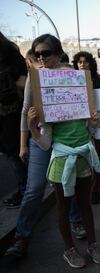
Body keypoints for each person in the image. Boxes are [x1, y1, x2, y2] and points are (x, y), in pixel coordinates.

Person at [5, 34, 83, 257]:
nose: (41, 58)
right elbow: (25, 110)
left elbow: (81, 106)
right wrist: (23, 145)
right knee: (34, 188)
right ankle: (21, 235)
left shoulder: (72, 75)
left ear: (58, 53)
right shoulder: (34, 76)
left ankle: (76, 220)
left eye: (46, 53)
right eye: (37, 54)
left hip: (65, 139)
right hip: (39, 138)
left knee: (69, 180)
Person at [73, 51, 100, 204]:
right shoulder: (72, 81)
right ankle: (84, 189)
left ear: (91, 63)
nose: (82, 64)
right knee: (82, 159)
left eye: (85, 61)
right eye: (79, 62)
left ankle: (96, 189)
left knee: (98, 158)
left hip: (98, 124)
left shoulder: (99, 81)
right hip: (79, 126)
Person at [0, 32, 28, 209]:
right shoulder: (11, 54)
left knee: (15, 154)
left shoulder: (12, 56)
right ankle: (25, 189)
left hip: (14, 114)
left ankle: (25, 190)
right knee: (13, 155)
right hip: (6, 116)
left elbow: (24, 83)